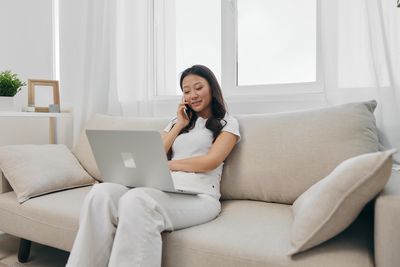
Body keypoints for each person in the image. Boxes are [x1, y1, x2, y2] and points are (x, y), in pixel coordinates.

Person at [66, 65, 240, 267]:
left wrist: (168, 165)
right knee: (100, 193)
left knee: (137, 199)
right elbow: (156, 153)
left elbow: (211, 161)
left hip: (200, 195)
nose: (193, 95)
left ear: (212, 88)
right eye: (186, 91)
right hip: (163, 188)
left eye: (198, 87)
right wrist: (180, 125)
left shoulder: (228, 123)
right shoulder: (177, 123)